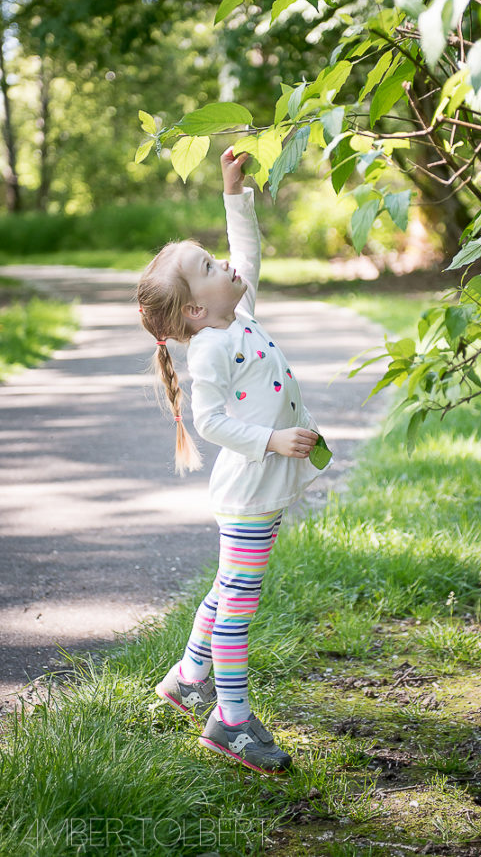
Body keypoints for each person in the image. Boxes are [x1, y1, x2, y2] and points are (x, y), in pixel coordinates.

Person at [136, 146, 331, 775]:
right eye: (208, 266)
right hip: (248, 489)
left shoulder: (236, 308)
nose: (225, 264)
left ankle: (187, 679)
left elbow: (245, 253)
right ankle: (231, 719)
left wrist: (233, 191)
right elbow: (210, 422)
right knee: (241, 600)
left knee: (229, 587)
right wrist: (271, 441)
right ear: (195, 309)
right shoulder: (211, 350)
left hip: (261, 487)